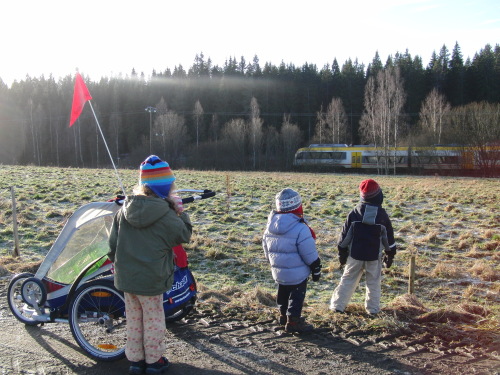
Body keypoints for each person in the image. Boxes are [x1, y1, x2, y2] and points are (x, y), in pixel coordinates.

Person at [108, 155, 192, 375]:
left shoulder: (124, 210)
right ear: (166, 188)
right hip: (152, 278)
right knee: (153, 318)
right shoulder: (166, 214)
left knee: (134, 318)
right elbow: (184, 234)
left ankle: (136, 361)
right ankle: (154, 361)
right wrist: (181, 212)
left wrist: (116, 264)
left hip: (127, 278)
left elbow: (112, 245)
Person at [329, 179, 396, 315]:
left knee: (347, 280)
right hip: (373, 257)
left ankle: (337, 307)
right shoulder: (382, 216)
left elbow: (344, 237)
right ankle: (372, 310)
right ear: (379, 196)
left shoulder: (354, 213)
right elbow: (388, 239)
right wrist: (390, 254)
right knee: (373, 283)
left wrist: (342, 252)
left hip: (355, 255)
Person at [262, 188, 321, 333]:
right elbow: (308, 252)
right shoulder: (301, 228)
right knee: (296, 296)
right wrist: (316, 267)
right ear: (297, 207)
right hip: (297, 274)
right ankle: (293, 322)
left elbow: (265, 248)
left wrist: (273, 263)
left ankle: (283, 316)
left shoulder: (270, 226)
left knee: (283, 292)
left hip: (279, 271)